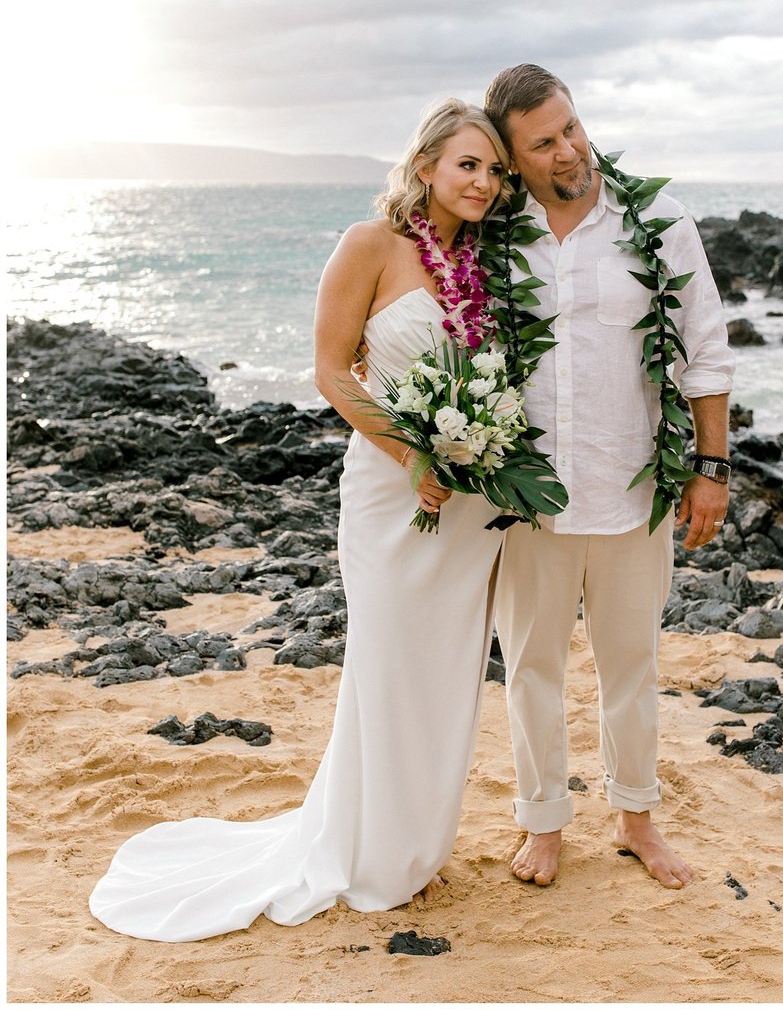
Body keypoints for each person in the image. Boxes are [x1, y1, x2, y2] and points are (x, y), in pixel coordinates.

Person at [89, 99, 511, 941]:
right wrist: (414, 456)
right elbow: (330, 371)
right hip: (394, 493)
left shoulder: (488, 266)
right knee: (388, 663)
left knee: (448, 670)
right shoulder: (369, 245)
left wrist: (483, 450)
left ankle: (415, 849)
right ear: (426, 164)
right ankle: (368, 852)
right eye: (469, 163)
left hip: (470, 506)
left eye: (497, 170)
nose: (485, 182)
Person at [482, 64, 735, 891]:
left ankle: (635, 818)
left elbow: (705, 344)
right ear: (511, 156)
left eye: (572, 126)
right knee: (532, 666)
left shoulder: (657, 217)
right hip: (527, 493)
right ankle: (543, 821)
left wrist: (711, 466)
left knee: (632, 660)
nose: (569, 150)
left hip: (636, 484)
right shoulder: (493, 229)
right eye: (544, 142)